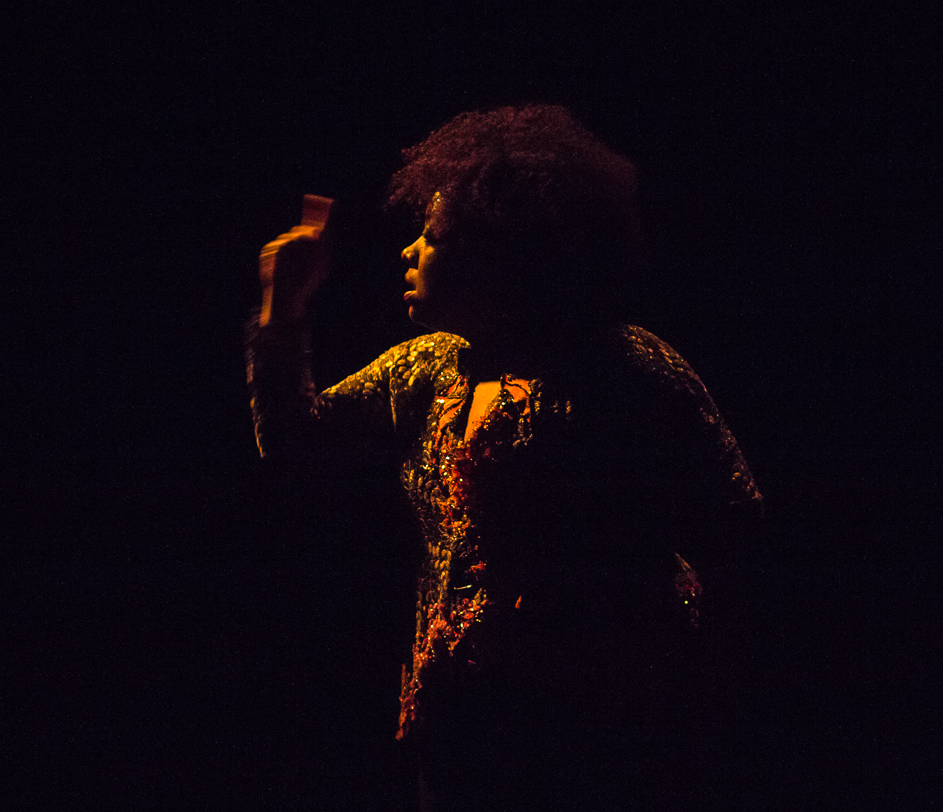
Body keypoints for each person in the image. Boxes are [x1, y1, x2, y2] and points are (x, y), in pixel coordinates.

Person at [246, 105, 762, 811]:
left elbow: (737, 526)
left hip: (597, 738)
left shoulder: (625, 369)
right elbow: (295, 444)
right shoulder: (426, 369)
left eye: (432, 238)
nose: (409, 253)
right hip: (459, 730)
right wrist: (282, 309)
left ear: (497, 254)